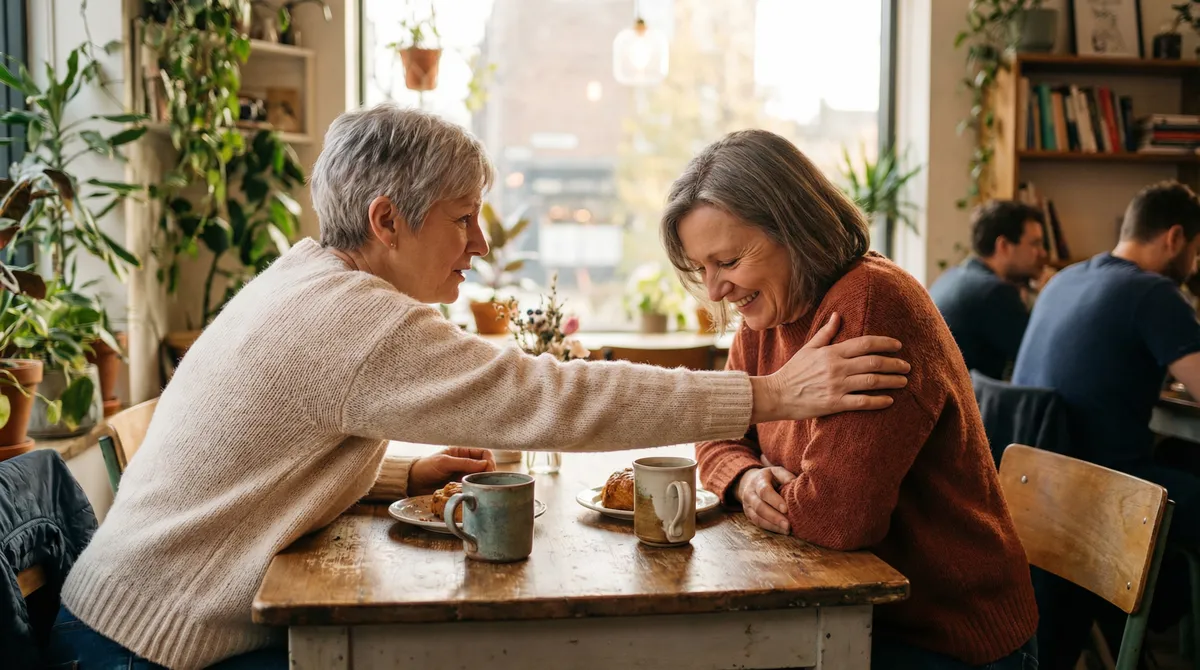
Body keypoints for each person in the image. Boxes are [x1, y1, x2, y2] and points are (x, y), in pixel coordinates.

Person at [49, 106, 910, 670]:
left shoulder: (305, 281)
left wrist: (394, 476)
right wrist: (766, 398)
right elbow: (552, 398)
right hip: (146, 650)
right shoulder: (355, 319)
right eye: (464, 217)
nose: (482, 242)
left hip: (121, 620)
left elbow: (262, 442)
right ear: (387, 220)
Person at [663, 130, 1038, 669]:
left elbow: (838, 519)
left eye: (727, 261)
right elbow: (719, 433)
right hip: (850, 610)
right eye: (702, 269)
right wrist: (748, 479)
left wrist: (779, 483)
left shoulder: (869, 304)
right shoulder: (765, 311)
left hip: (941, 635)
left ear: (794, 228)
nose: (715, 289)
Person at [1012, 181, 1200, 663]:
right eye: (1197, 252)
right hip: (1111, 498)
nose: (1195, 266)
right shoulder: (1154, 293)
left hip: (1043, 493)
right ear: (1174, 237)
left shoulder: (1066, 280)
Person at [928, 199, 1048, 380]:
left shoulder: (952, 276)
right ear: (1004, 246)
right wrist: (1050, 295)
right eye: (1035, 244)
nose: (1043, 253)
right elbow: (1041, 355)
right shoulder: (994, 292)